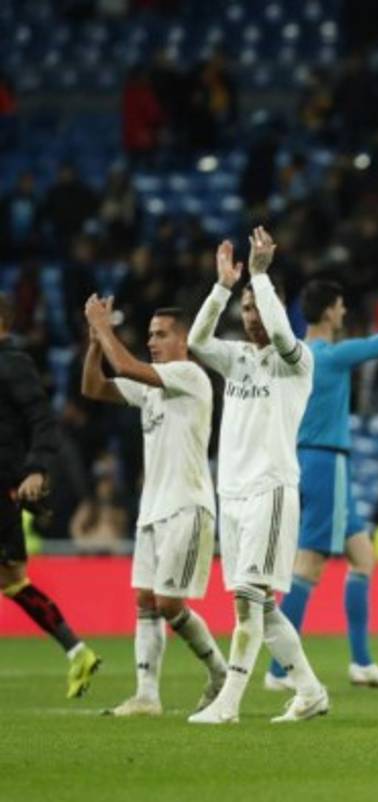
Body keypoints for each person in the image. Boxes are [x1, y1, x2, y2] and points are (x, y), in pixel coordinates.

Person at [265, 257, 378, 692]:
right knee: (310, 566)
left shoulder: (294, 358)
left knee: (363, 557)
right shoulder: (333, 356)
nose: (344, 314)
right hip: (326, 463)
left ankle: (361, 662)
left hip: (308, 460)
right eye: (340, 307)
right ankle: (278, 670)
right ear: (328, 311)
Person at [186, 228, 328, 724]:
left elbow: (285, 336)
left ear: (276, 308)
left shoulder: (298, 362)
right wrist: (222, 288)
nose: (250, 318)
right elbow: (196, 340)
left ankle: (229, 704)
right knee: (261, 606)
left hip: (270, 490)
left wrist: (261, 279)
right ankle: (309, 691)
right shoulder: (238, 358)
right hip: (234, 494)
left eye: (257, 308)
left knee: (248, 601)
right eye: (244, 310)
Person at [80, 299, 227, 716]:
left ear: (184, 341)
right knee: (145, 599)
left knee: (168, 603)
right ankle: (147, 696)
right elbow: (94, 387)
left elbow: (124, 366)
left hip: (187, 505)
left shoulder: (190, 375)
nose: (152, 341)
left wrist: (104, 328)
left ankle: (221, 674)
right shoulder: (152, 386)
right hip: (153, 508)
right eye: (149, 335)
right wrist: (95, 341)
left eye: (161, 334)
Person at [0, 293, 101, 699]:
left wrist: (37, 468)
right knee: (11, 581)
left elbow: (43, 420)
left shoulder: (13, 364)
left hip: (3, 486)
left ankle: (77, 649)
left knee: (12, 580)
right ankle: (77, 650)